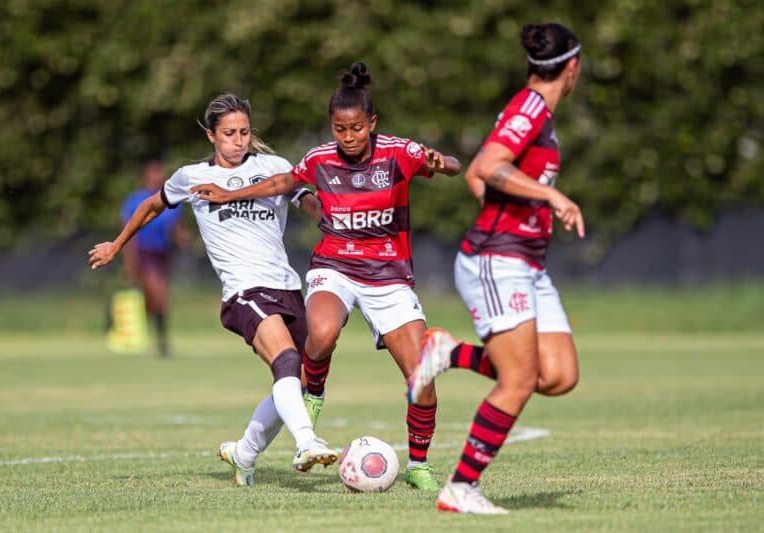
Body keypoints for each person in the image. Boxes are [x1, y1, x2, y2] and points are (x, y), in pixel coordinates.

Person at [190, 62, 462, 491]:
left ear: (372, 124)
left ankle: (419, 464)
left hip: (389, 276)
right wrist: (230, 192)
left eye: (356, 128)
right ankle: (313, 394)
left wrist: (440, 163)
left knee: (420, 377)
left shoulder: (399, 152)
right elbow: (281, 181)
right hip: (334, 266)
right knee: (320, 332)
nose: (349, 138)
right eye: (340, 129)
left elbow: (452, 164)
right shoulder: (320, 158)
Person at [89, 94, 338, 485]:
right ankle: (306, 442)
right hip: (244, 291)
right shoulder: (190, 177)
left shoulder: (273, 167)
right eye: (228, 133)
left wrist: (327, 218)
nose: (238, 140)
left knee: (303, 378)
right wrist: (117, 244)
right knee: (286, 360)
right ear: (211, 135)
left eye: (243, 132)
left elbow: (305, 198)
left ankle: (244, 453)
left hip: (288, 286)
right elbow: (152, 205)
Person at [407, 23, 585, 514]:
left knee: (559, 373)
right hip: (496, 259)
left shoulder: (539, 113)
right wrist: (546, 196)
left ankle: (450, 352)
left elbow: (477, 175)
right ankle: (460, 488)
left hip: (527, 262)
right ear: (572, 68)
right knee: (519, 380)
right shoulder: (530, 107)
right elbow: (486, 165)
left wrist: (515, 214)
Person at [119, 159, 189, 357]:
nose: (159, 177)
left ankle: (148, 337)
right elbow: (127, 232)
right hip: (144, 254)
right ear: (146, 176)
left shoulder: (169, 199)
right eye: (154, 173)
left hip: (162, 254)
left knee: (153, 300)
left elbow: (176, 227)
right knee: (160, 296)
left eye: (161, 173)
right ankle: (162, 343)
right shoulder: (135, 200)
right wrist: (129, 262)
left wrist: (182, 238)